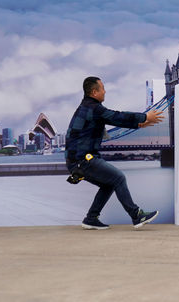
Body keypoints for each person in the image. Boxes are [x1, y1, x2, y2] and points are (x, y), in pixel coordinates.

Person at [65, 76, 164, 230]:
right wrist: (144, 116)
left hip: (79, 160)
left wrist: (139, 124)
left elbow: (115, 120)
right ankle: (136, 215)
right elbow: (116, 116)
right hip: (83, 160)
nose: (105, 91)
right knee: (118, 177)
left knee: (110, 183)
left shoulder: (88, 108)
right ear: (94, 92)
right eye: (102, 88)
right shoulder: (93, 109)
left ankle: (91, 218)